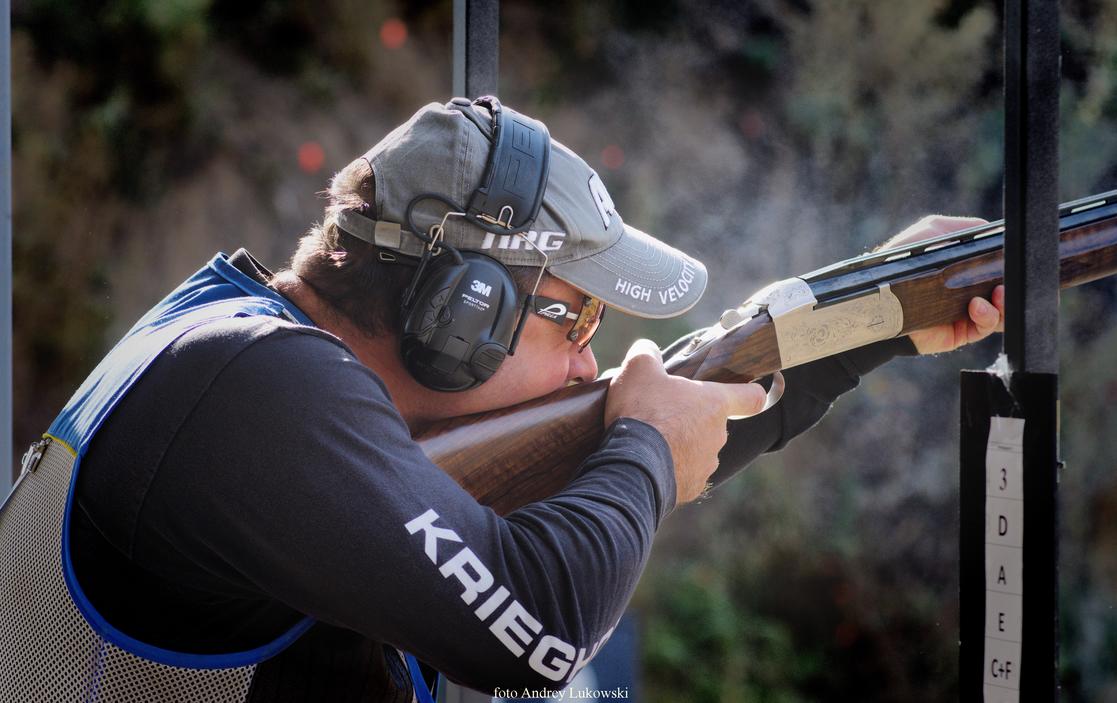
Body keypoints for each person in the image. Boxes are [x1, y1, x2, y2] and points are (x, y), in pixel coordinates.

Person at [0, 98, 1003, 702]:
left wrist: (872, 310)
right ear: (460, 310)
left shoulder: (241, 348)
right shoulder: (253, 385)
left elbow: (595, 449)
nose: (587, 365)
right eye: (573, 319)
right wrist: (647, 443)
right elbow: (538, 627)